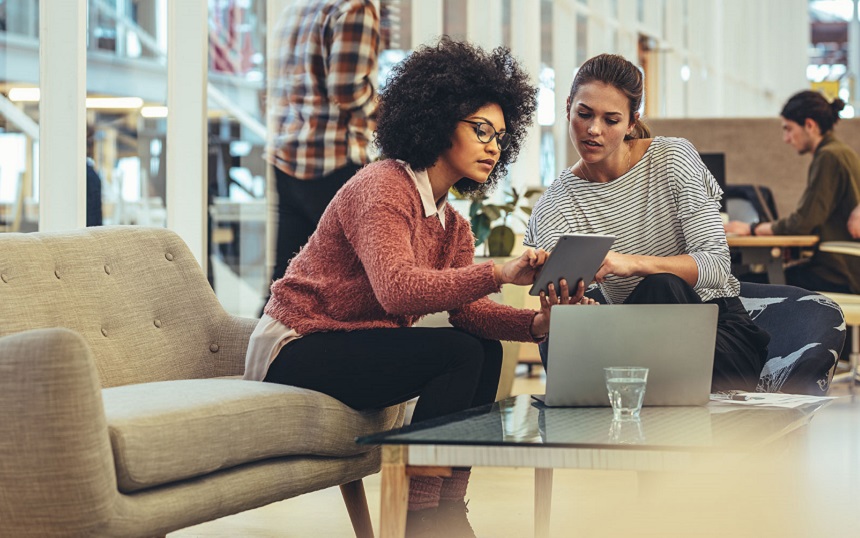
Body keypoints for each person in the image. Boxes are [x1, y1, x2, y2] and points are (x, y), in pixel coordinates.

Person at [245, 39, 593, 538]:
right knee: (456, 354)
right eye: (480, 130)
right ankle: (419, 515)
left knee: (483, 349)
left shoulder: (452, 223)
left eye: (500, 135)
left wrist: (536, 323)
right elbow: (397, 291)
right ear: (436, 119)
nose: (493, 145)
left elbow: (469, 312)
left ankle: (446, 505)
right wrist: (498, 271)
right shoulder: (383, 186)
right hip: (298, 344)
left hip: (350, 340)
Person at [526, 53, 770, 393]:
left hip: (717, 339)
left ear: (631, 122)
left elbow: (716, 264)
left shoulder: (673, 159)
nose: (593, 129)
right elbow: (581, 313)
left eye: (610, 120)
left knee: (661, 286)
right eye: (584, 114)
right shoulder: (554, 206)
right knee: (562, 331)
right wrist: (564, 301)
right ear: (567, 106)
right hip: (630, 343)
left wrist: (630, 264)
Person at [265, 0, 380, 312]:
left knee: (286, 280)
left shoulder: (298, 7)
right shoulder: (354, 7)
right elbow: (347, 89)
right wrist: (387, 111)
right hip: (334, 160)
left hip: (288, 158)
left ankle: (259, 355)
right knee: (352, 287)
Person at [724, 91, 860, 293]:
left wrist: (751, 228)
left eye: (788, 129)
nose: (786, 138)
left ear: (810, 125)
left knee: (741, 285)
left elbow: (802, 223)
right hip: (845, 268)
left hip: (838, 273)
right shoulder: (841, 152)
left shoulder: (829, 157)